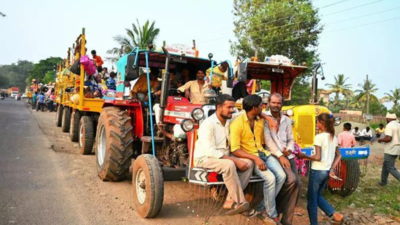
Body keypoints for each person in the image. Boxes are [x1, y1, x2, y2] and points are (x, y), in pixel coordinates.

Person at [194, 94, 254, 215]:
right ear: (219, 107)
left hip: (224, 158)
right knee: (229, 165)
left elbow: (248, 112)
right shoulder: (207, 124)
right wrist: (235, 160)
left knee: (249, 163)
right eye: (229, 107)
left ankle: (230, 200)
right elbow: (210, 151)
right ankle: (240, 202)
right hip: (205, 158)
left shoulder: (230, 118)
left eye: (233, 107)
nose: (232, 110)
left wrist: (267, 118)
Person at [230, 95, 286, 224]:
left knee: (282, 176)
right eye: (261, 106)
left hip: (263, 154)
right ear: (254, 108)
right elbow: (235, 149)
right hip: (250, 156)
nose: (263, 107)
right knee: (270, 179)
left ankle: (262, 208)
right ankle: (271, 214)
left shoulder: (259, 119)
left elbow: (265, 117)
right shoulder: (237, 123)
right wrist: (255, 159)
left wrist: (266, 117)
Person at [298, 113, 343, 225]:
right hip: (327, 172)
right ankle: (333, 214)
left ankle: (315, 223)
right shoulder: (333, 137)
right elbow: (339, 155)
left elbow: (317, 157)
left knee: (312, 200)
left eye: (317, 122)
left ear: (321, 123)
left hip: (317, 171)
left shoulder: (319, 137)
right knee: (317, 196)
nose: (316, 124)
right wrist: (332, 168)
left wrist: (304, 156)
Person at [264, 93, 300, 225]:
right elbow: (268, 141)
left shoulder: (286, 120)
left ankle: (286, 220)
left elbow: (291, 138)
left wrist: (289, 149)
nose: (275, 105)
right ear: (268, 103)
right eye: (273, 102)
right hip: (274, 155)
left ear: (282, 105)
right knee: (292, 180)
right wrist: (280, 155)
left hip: (287, 155)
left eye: (278, 103)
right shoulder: (264, 118)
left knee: (298, 186)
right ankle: (273, 208)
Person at [378, 113, 400, 186]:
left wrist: (381, 140)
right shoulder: (398, 125)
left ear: (388, 119)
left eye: (386, 119)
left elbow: (388, 138)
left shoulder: (389, 125)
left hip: (391, 149)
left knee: (390, 167)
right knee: (385, 165)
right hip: (397, 148)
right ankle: (383, 182)